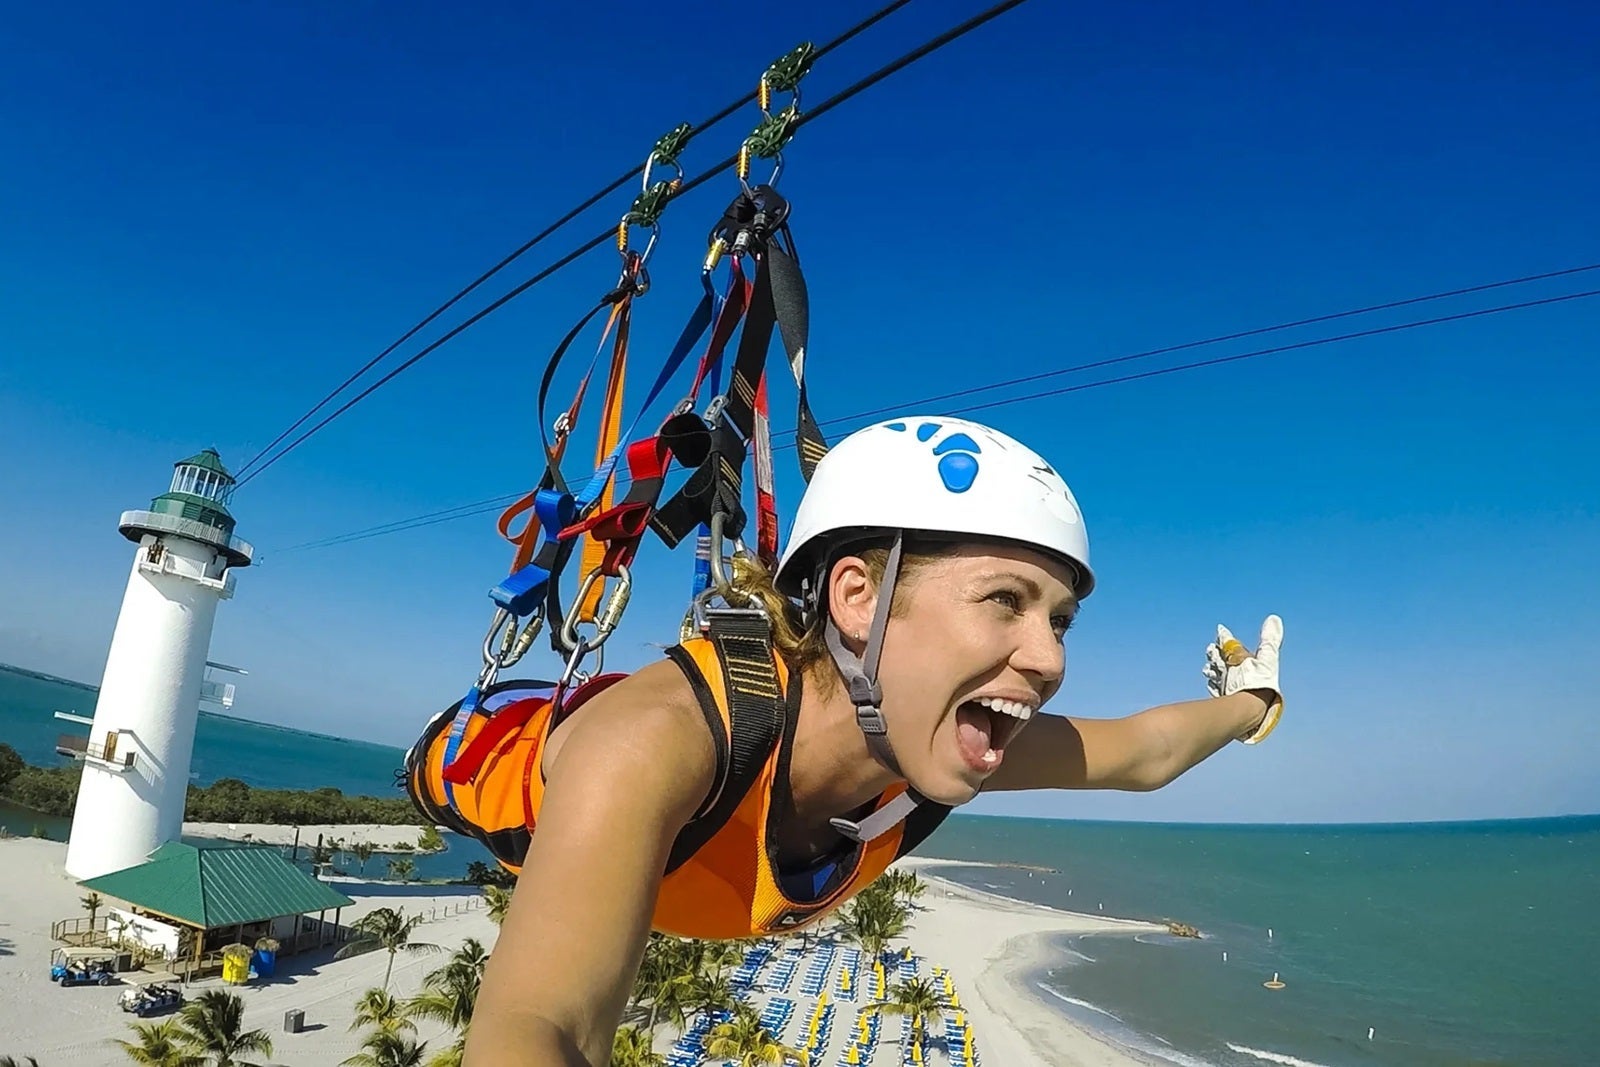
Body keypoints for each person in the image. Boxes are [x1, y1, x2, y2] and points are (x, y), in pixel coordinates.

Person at [406, 415, 1285, 1067]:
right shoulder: (658, 742)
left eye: (1061, 620)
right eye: (1005, 601)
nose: (1049, 658)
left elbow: (1143, 752)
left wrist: (1255, 701)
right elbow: (539, 1027)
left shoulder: (930, 750)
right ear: (858, 596)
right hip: (494, 769)